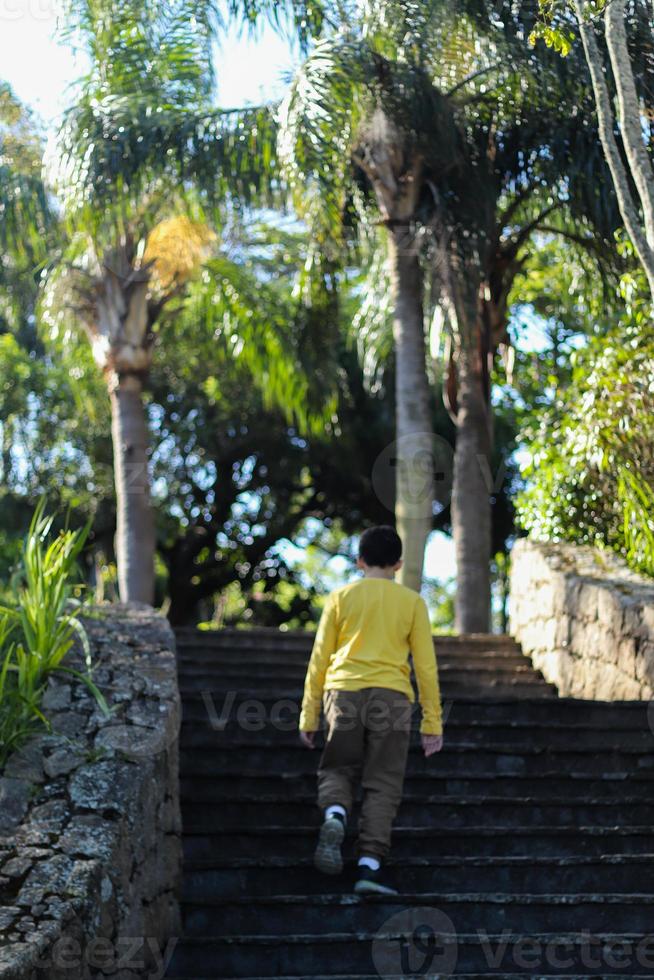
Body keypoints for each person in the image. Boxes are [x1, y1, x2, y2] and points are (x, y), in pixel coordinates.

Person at [298, 524, 443, 895]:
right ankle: (369, 866)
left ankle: (335, 813)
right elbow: (425, 667)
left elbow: (319, 659)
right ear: (398, 564)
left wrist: (309, 714)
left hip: (343, 691)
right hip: (392, 696)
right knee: (383, 782)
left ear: (360, 561)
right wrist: (432, 722)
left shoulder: (340, 598)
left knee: (338, 766)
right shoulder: (412, 603)